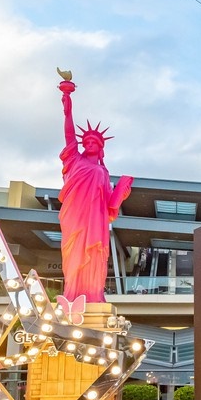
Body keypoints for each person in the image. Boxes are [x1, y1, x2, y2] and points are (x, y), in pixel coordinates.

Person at [57, 70, 133, 303]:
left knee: (96, 252)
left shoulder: (104, 172)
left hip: (96, 218)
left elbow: (111, 207)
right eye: (87, 141)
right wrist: (68, 105)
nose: (89, 144)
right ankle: (73, 294)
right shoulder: (75, 160)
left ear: (100, 147)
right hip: (75, 216)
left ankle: (92, 294)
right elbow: (69, 133)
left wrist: (122, 192)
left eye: (94, 142)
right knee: (74, 253)